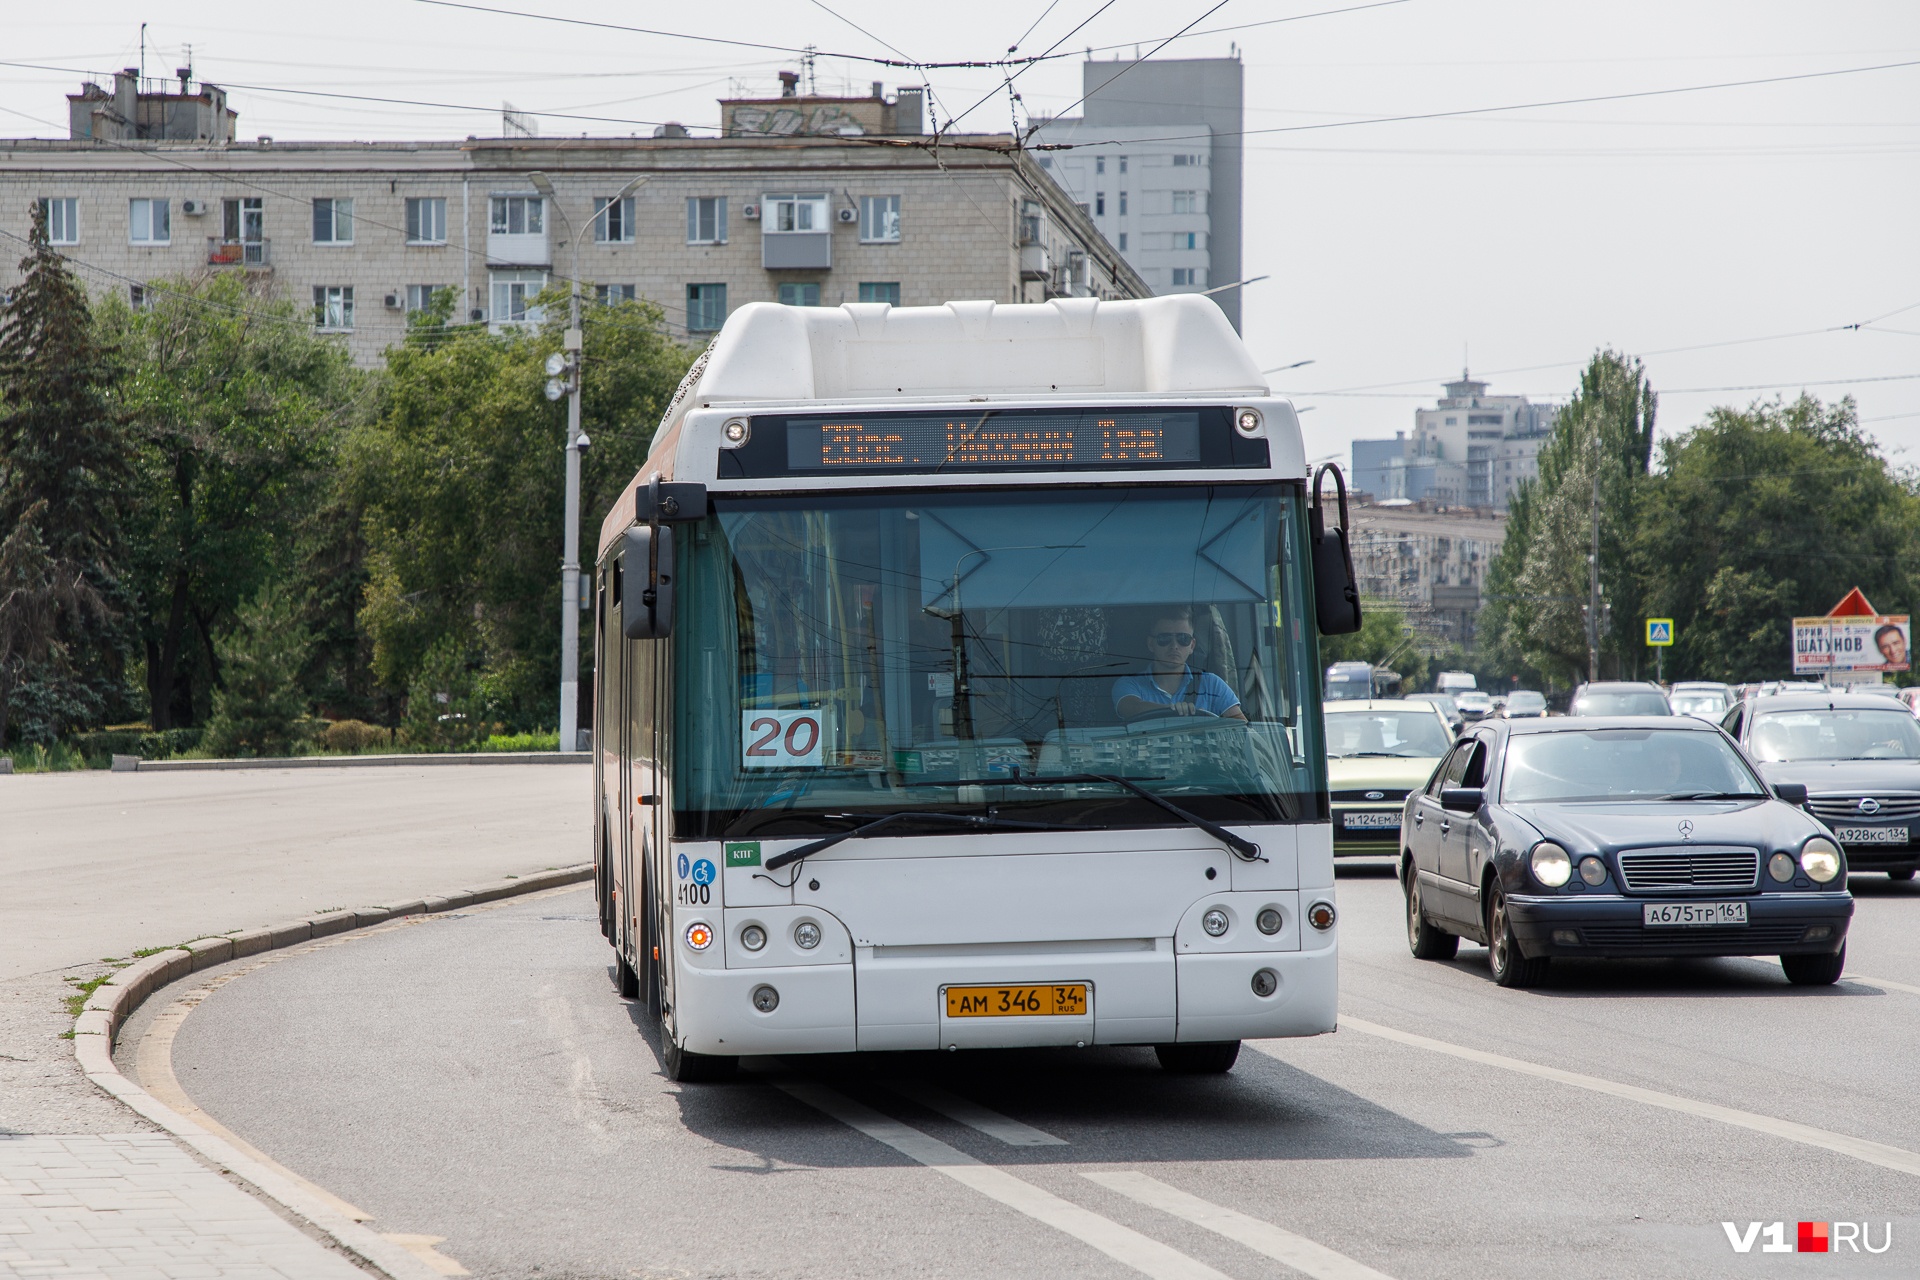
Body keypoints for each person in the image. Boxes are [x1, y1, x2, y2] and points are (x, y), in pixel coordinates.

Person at [1113, 607, 1246, 720]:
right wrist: (1174, 710)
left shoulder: (1212, 684)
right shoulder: (1129, 684)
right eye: (1164, 638)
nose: (1174, 646)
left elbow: (1241, 727)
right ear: (1150, 643)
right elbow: (1130, 706)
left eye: (1183, 639)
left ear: (1192, 645)